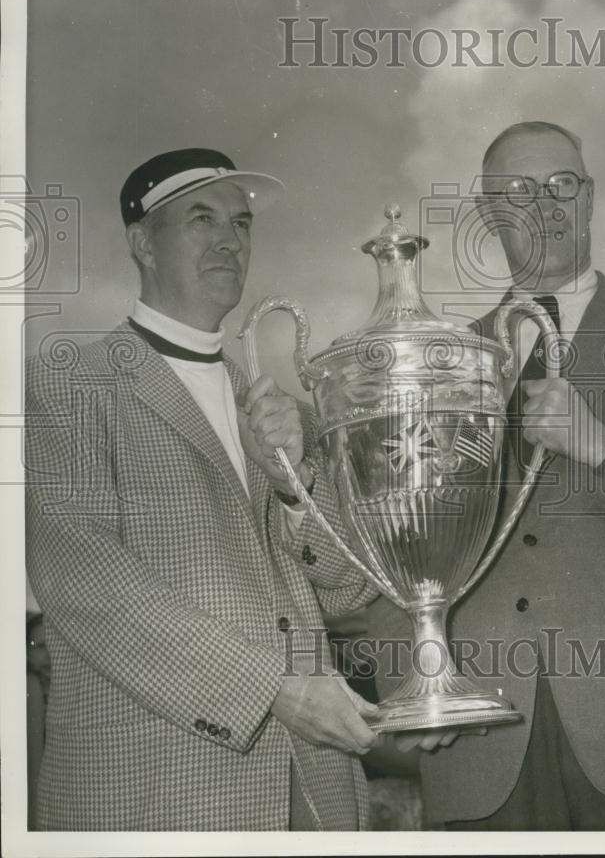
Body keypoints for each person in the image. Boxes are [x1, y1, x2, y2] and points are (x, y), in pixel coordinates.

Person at [367, 121, 605, 830]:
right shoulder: (438, 365)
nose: (545, 206)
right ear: (486, 214)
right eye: (518, 191)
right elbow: (398, 546)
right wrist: (414, 680)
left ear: (589, 200)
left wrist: (603, 445)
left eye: (562, 185)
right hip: (482, 753)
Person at [25, 147, 379, 832]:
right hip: (158, 796)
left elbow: (348, 590)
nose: (229, 240)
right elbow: (85, 582)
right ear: (140, 243)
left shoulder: (278, 411)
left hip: (312, 789)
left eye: (241, 224)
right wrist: (269, 690)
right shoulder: (66, 385)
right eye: (200, 217)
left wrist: (290, 483)